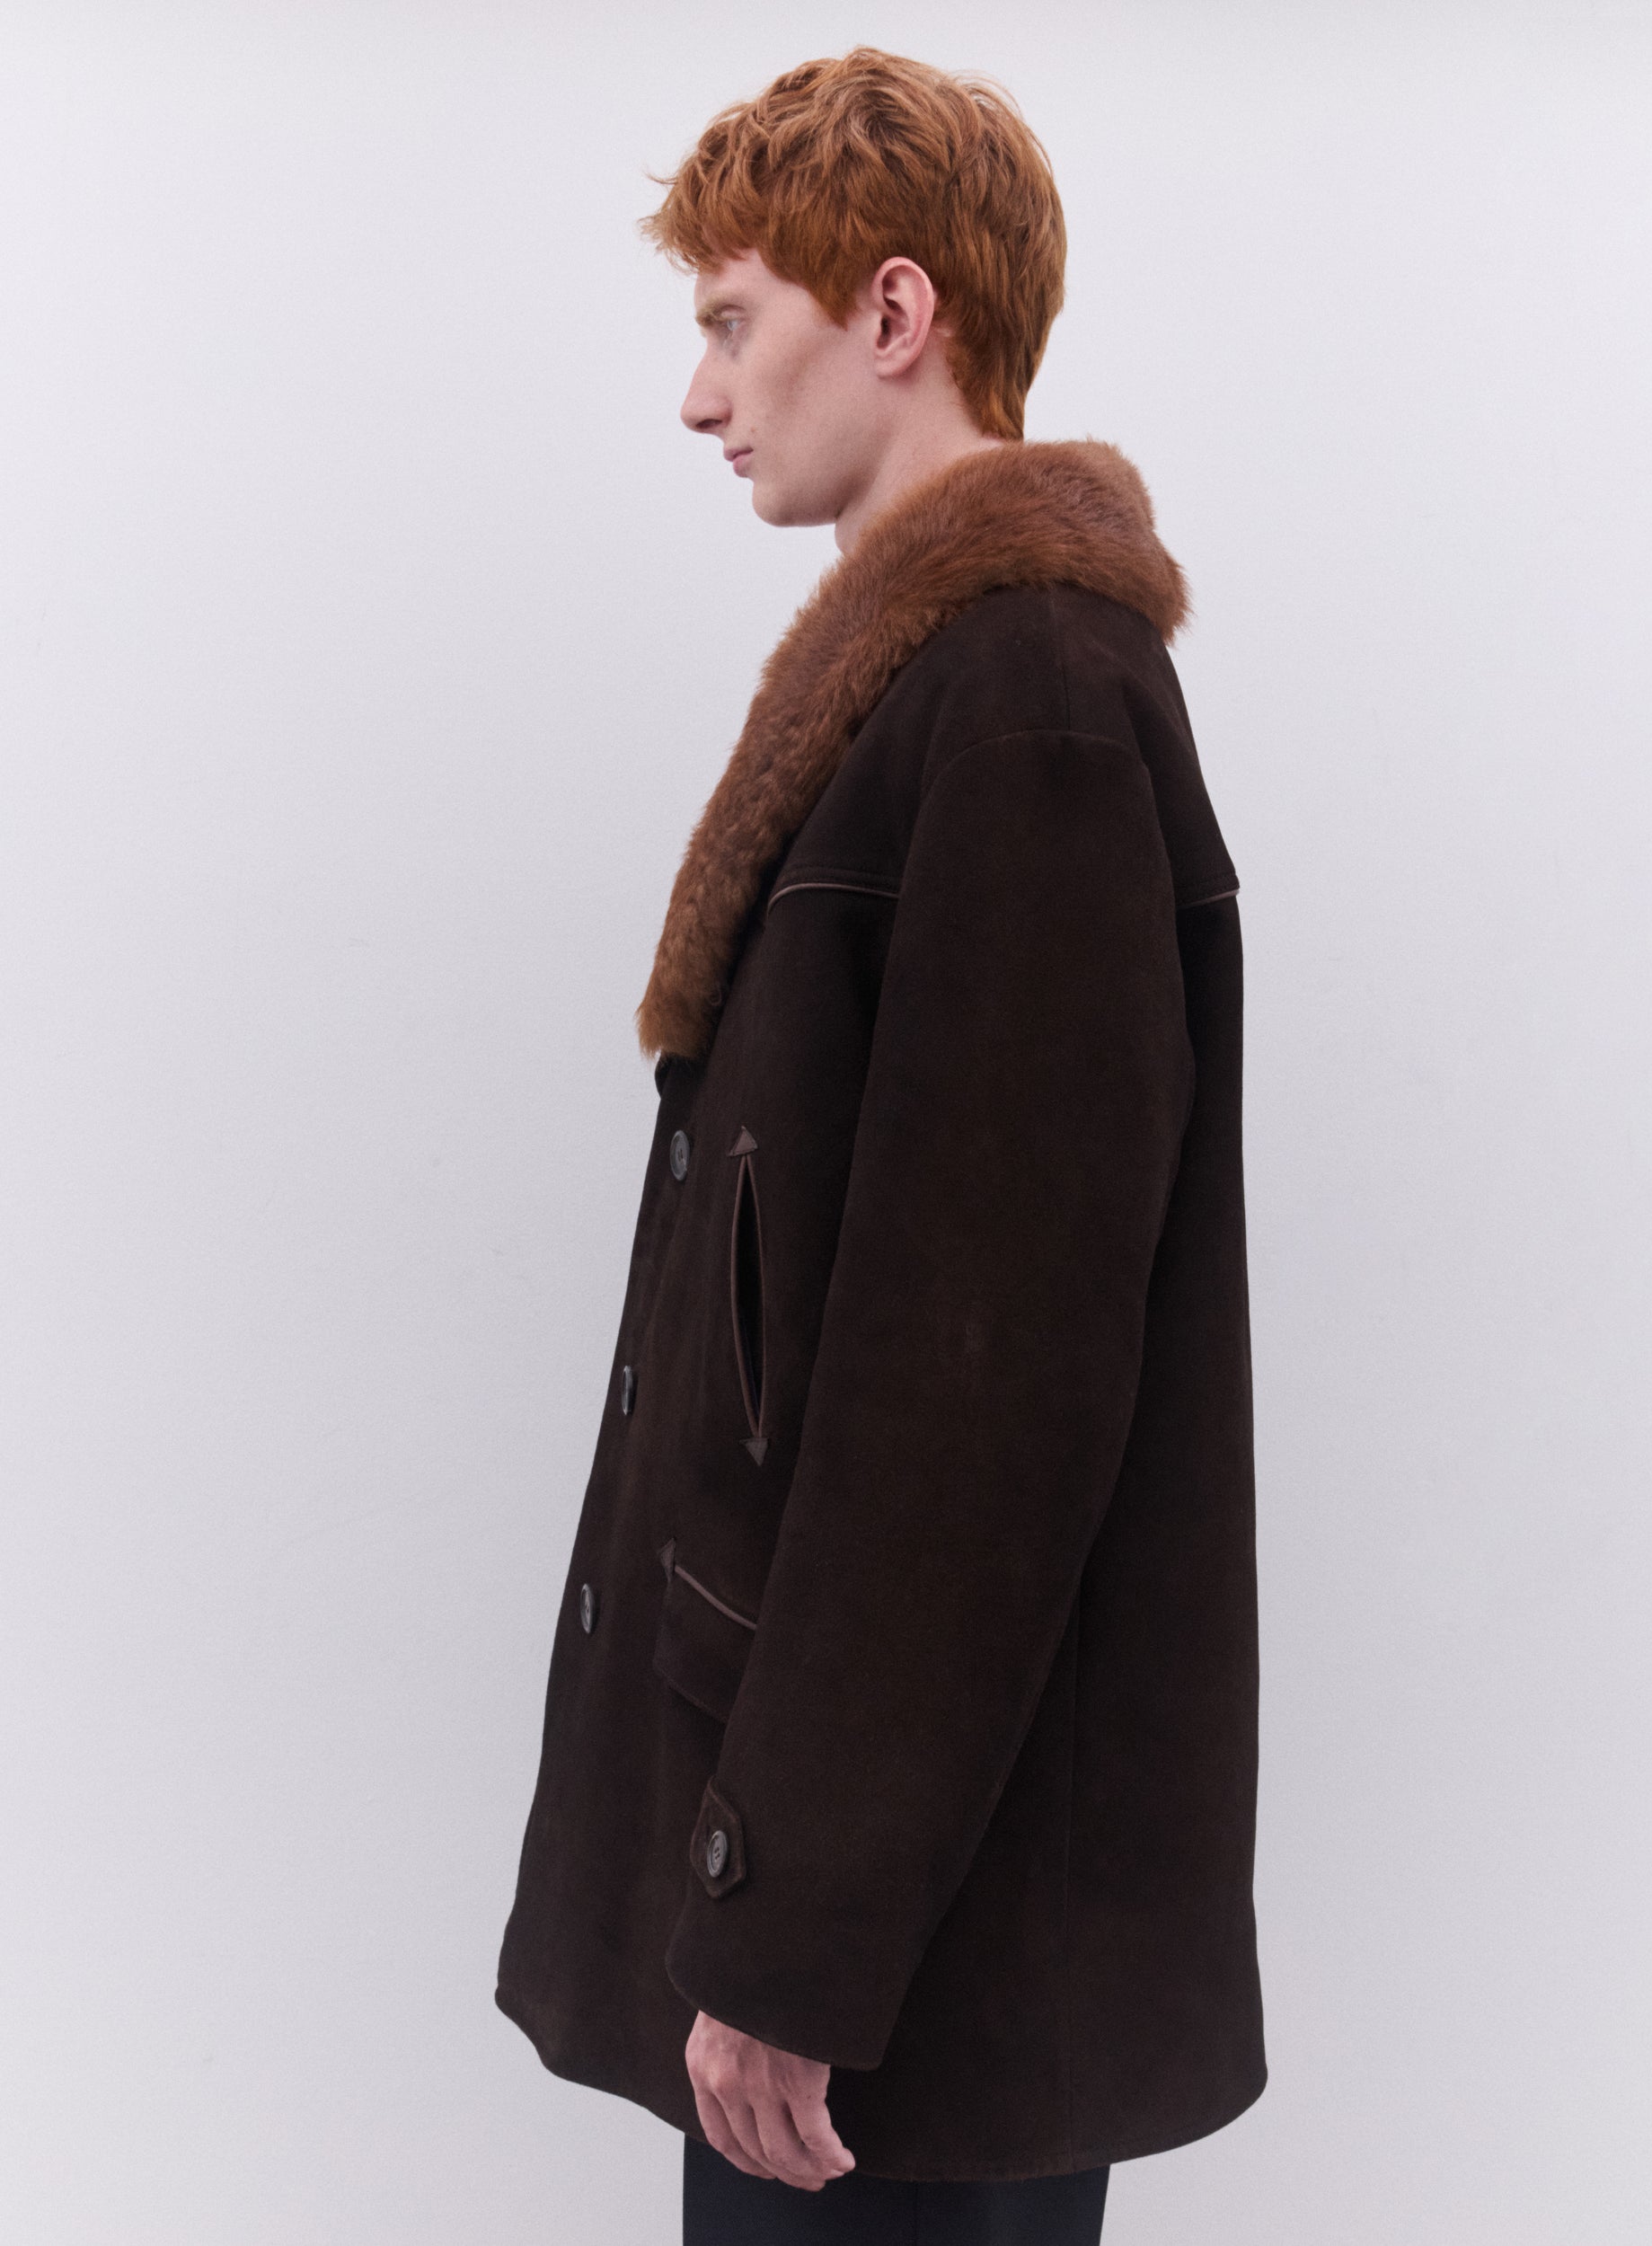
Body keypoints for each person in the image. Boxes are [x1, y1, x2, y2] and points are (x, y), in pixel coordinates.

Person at [494, 49, 1267, 2244]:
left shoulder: (1024, 709)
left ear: (897, 312)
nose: (700, 394)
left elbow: (979, 1400)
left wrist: (798, 1939)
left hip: (903, 1950)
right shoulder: (940, 699)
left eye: (734, 322)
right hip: (865, 1895)